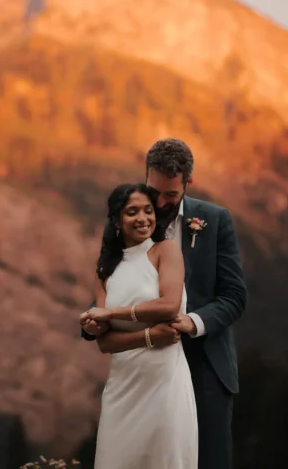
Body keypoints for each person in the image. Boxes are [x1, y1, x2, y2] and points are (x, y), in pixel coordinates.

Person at [81, 138, 248, 469]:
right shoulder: (128, 218)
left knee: (206, 460)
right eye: (153, 190)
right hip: (142, 370)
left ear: (188, 183)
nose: (158, 203)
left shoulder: (214, 221)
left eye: (170, 195)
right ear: (146, 175)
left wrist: (193, 322)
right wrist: (92, 323)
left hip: (205, 366)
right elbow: (112, 285)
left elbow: (234, 296)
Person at [80, 182, 197, 469]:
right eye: (132, 212)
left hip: (164, 381)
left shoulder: (165, 251)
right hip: (123, 385)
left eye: (147, 210)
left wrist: (113, 314)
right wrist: (149, 335)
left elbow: (169, 304)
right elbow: (105, 343)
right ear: (117, 220)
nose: (142, 218)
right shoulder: (105, 269)